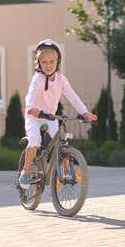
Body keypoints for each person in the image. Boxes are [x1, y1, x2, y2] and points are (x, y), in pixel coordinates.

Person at [19, 39, 95, 189]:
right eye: (44, 62)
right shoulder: (38, 79)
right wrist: (32, 108)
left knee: (62, 140)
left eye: (52, 61)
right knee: (34, 139)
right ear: (38, 63)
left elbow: (73, 97)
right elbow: (31, 95)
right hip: (34, 115)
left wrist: (84, 112)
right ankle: (26, 171)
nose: (48, 65)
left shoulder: (60, 79)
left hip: (49, 116)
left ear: (58, 61)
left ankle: (66, 171)